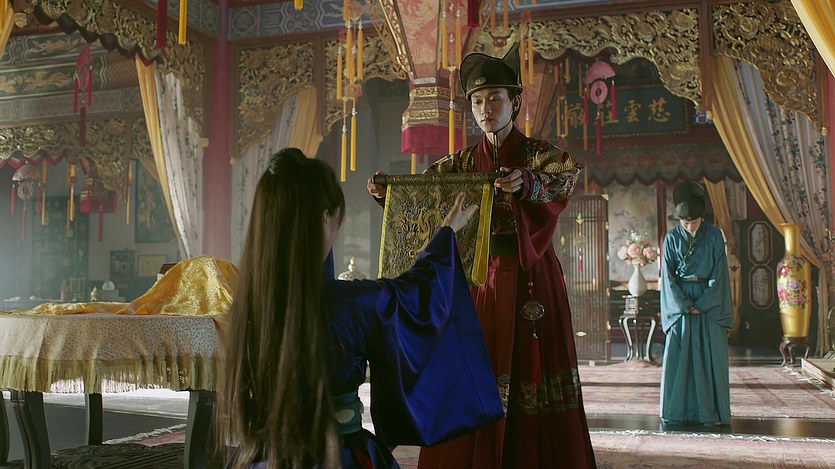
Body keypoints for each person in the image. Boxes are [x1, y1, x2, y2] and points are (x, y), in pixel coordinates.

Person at [368, 43, 596, 469]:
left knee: (531, 367)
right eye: (476, 101)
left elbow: (564, 178)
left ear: (515, 103)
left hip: (531, 276)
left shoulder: (540, 155)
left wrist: (527, 182)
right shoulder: (461, 163)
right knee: (474, 365)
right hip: (478, 277)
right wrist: (388, 193)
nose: (485, 109)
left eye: (495, 99)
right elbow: (423, 196)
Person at [217, 148, 504, 469]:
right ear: (325, 218)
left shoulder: (247, 306)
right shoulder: (349, 304)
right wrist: (445, 237)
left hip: (260, 457)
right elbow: (416, 296)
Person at [659, 180, 733, 426]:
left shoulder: (715, 236)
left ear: (702, 217)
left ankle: (711, 413)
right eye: (684, 222)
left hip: (708, 304)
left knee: (710, 359)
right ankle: (676, 413)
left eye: (693, 221)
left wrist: (703, 303)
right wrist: (684, 305)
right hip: (681, 305)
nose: (689, 226)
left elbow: (720, 274)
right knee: (679, 359)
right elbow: (668, 278)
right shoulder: (671, 238)